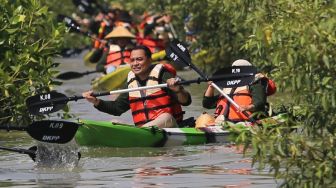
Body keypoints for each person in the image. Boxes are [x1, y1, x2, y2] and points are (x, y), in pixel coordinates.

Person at [83, 45, 192, 128]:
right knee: (114, 122)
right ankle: (139, 132)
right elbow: (117, 108)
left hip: (170, 127)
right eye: (132, 60)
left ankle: (139, 132)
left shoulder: (162, 75)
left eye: (139, 59)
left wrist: (179, 90)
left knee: (166, 117)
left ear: (149, 60)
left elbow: (186, 101)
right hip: (145, 129)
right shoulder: (131, 81)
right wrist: (96, 101)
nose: (135, 63)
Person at [202, 59, 268, 123]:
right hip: (224, 122)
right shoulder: (228, 87)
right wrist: (211, 86)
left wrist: (247, 107)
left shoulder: (255, 83)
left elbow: (260, 103)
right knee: (203, 119)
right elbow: (207, 104)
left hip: (246, 121)